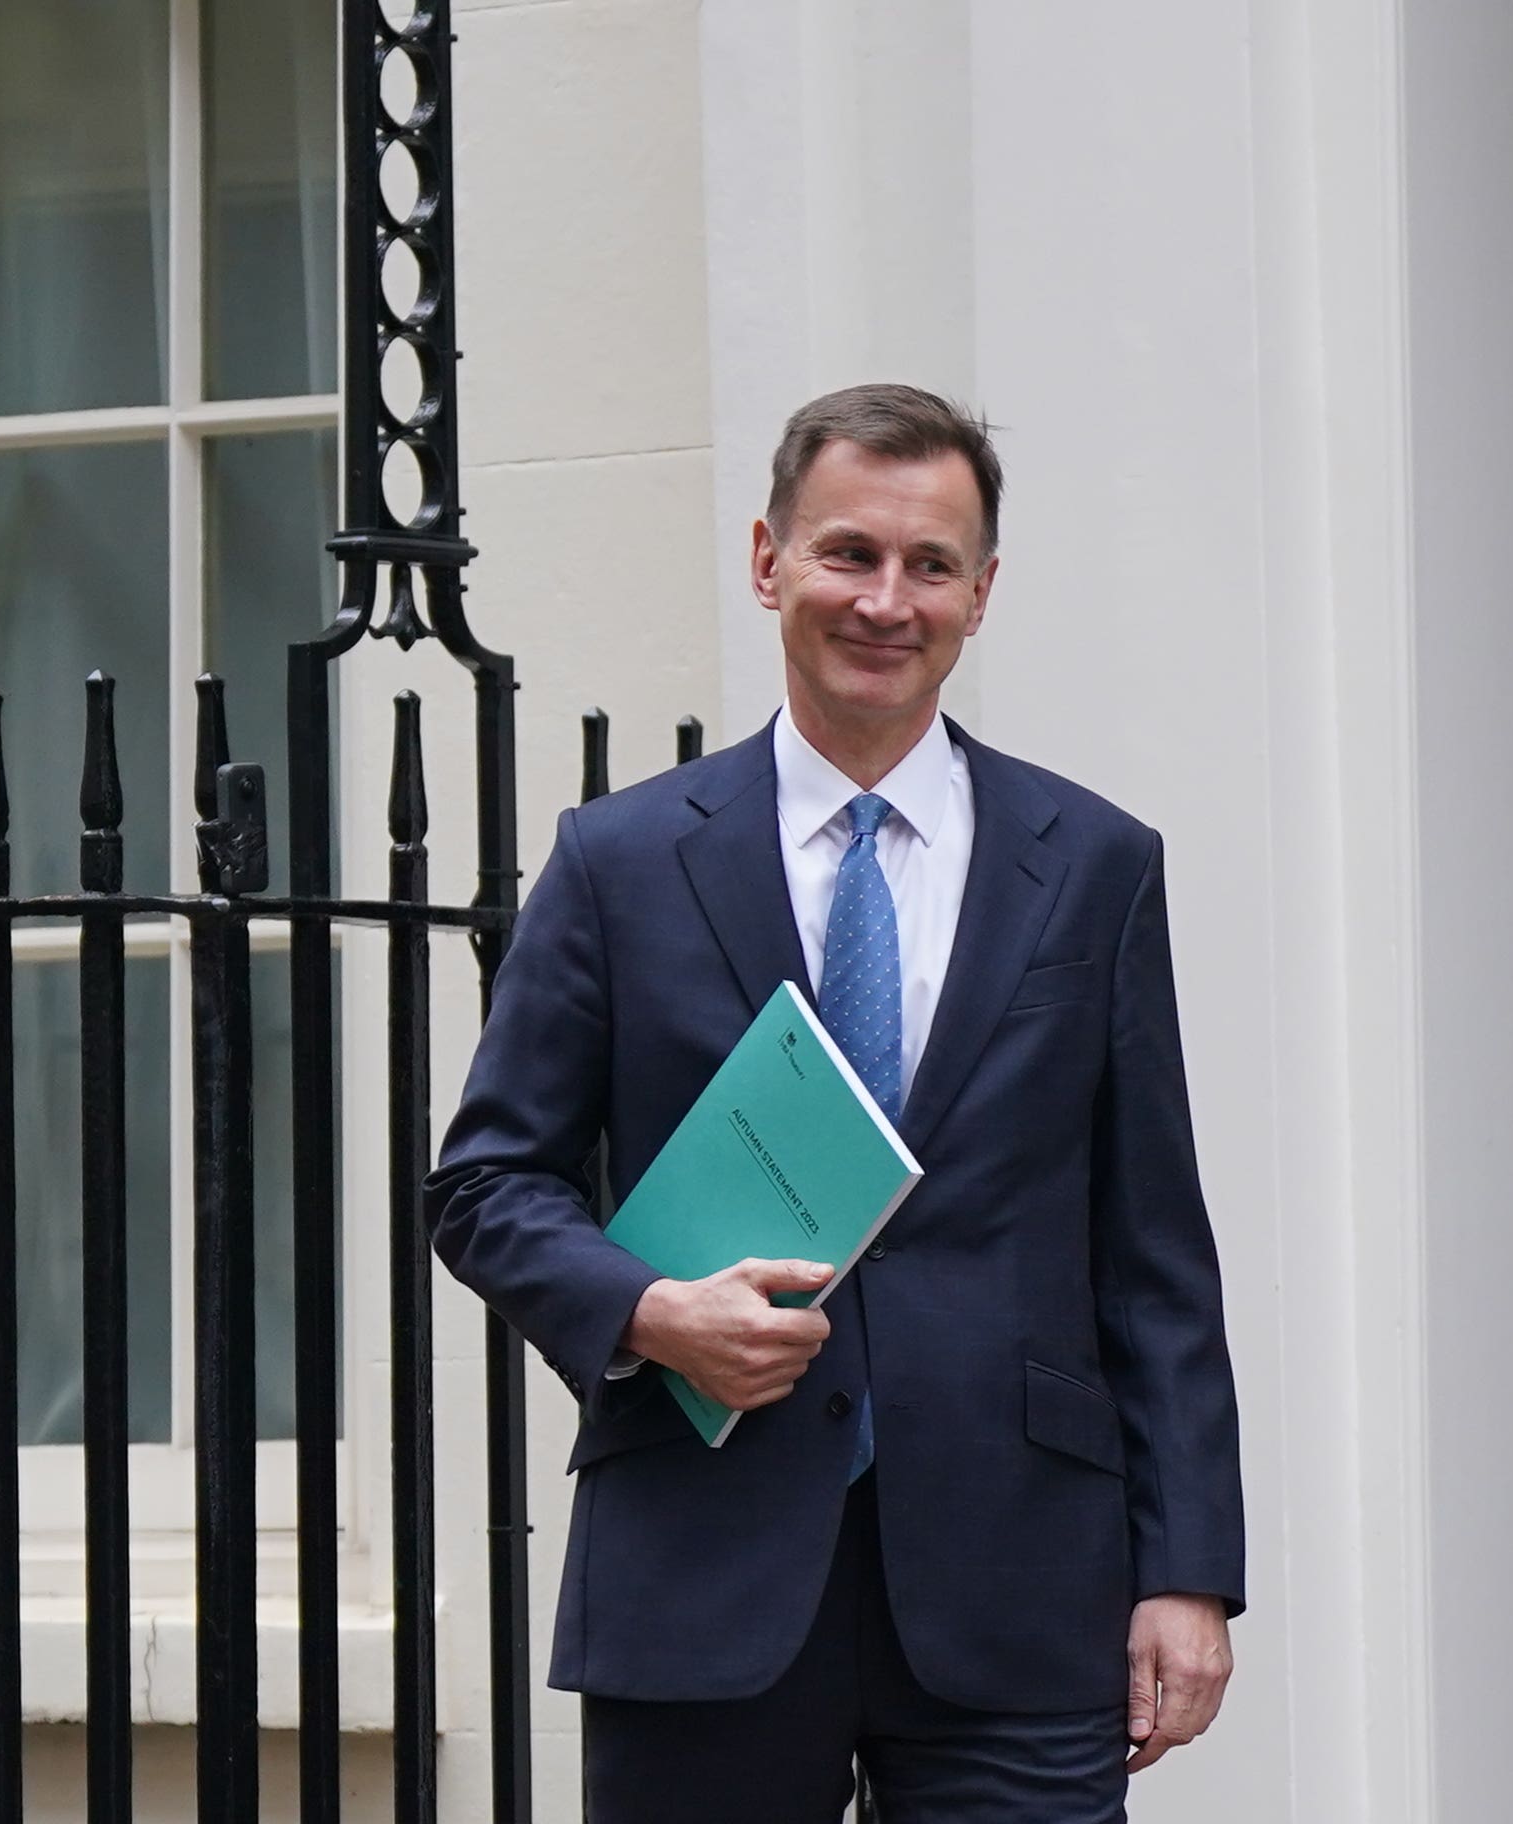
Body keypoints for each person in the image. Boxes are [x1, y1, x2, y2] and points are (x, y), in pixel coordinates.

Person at [427, 383, 1245, 1821]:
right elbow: (488, 1186)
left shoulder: (1096, 863)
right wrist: (649, 1313)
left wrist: (1187, 1569)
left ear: (982, 594)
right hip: (705, 1562)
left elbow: (1152, 1243)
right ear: (767, 561)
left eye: (931, 566)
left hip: (1022, 1574)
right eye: (848, 553)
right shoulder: (619, 864)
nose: (888, 599)